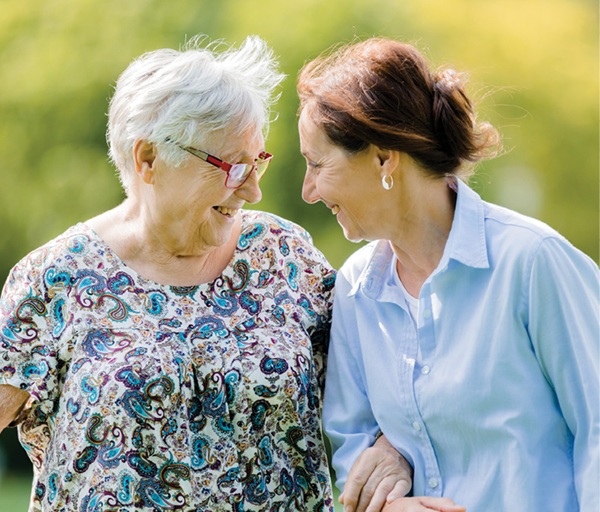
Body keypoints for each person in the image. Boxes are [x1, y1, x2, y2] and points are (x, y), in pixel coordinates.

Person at [0, 35, 412, 512]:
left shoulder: (284, 257)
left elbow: (387, 381)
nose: (254, 190)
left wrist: (390, 449)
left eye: (257, 162)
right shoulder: (55, 278)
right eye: (233, 167)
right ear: (148, 159)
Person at [297, 37, 599, 511]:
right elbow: (352, 439)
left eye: (317, 164)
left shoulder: (532, 262)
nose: (308, 190)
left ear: (383, 157)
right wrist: (389, 503)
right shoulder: (356, 288)